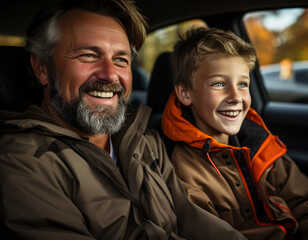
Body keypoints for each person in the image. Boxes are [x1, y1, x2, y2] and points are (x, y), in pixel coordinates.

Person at [0, 1, 248, 239]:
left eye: (121, 59)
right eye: (88, 55)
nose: (110, 74)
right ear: (42, 68)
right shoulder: (22, 163)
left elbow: (187, 215)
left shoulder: (143, 139)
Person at [161, 27, 308, 240]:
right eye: (219, 84)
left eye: (243, 84)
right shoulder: (184, 172)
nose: (235, 96)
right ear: (185, 94)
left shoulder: (260, 144)